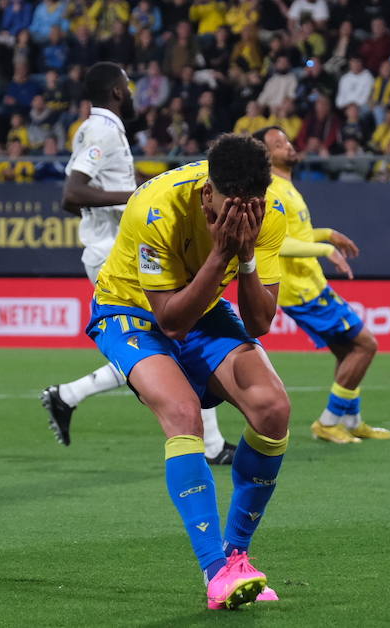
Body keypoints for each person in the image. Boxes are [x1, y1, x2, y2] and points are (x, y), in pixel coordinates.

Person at [86, 135, 288, 609]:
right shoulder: (155, 208)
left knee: (273, 407)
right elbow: (172, 322)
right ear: (205, 195)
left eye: (247, 212)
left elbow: (260, 322)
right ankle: (216, 574)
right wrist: (220, 252)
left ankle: (238, 557)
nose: (234, 222)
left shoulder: (268, 211)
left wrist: (247, 253)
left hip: (203, 302)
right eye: (221, 215)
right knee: (183, 414)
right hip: (130, 309)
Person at [41, 62, 233, 464]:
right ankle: (211, 446)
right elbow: (72, 194)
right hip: (116, 255)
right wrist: (139, 197)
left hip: (118, 248)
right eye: (127, 87)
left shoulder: (100, 129)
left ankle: (69, 395)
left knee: (176, 333)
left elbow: (94, 189)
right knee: (174, 334)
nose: (131, 93)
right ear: (116, 91)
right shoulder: (101, 131)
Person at [254, 126, 390, 444]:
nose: (288, 146)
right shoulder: (272, 189)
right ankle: (329, 422)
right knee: (365, 345)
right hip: (301, 288)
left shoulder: (287, 187)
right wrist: (324, 249)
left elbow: (297, 236)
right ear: (266, 155)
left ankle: (352, 420)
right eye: (278, 144)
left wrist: (326, 234)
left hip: (308, 282)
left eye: (287, 140)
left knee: (348, 351)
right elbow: (274, 243)